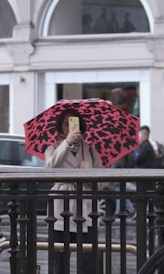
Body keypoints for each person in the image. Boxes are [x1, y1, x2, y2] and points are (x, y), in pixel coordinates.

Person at [44, 110, 102, 274]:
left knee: (88, 260)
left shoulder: (90, 150)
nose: (70, 127)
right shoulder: (53, 148)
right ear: (60, 127)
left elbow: (102, 182)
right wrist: (67, 143)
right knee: (60, 260)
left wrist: (90, 172)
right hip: (61, 208)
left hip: (86, 210)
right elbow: (50, 169)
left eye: (73, 122)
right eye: (66, 123)